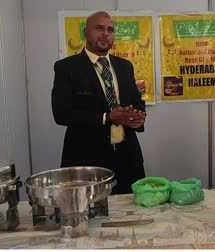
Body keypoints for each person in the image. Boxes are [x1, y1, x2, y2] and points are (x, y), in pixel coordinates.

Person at [51, 11, 147, 194]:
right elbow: (61, 113)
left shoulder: (125, 66)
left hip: (127, 156)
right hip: (87, 159)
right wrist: (106, 117)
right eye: (99, 28)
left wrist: (138, 117)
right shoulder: (67, 68)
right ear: (86, 32)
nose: (105, 34)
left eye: (110, 30)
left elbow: (137, 101)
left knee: (132, 212)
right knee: (91, 215)